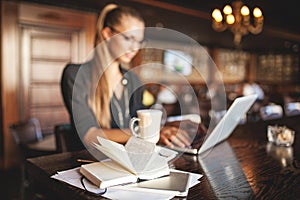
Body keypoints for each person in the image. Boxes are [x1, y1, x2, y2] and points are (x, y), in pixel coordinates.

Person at [61, 4, 191, 150]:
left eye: (139, 41)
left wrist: (171, 126)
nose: (135, 48)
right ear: (108, 34)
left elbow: (141, 125)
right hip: (88, 163)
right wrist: (150, 133)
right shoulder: (75, 75)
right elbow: (90, 136)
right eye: (129, 38)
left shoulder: (134, 81)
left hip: (129, 162)